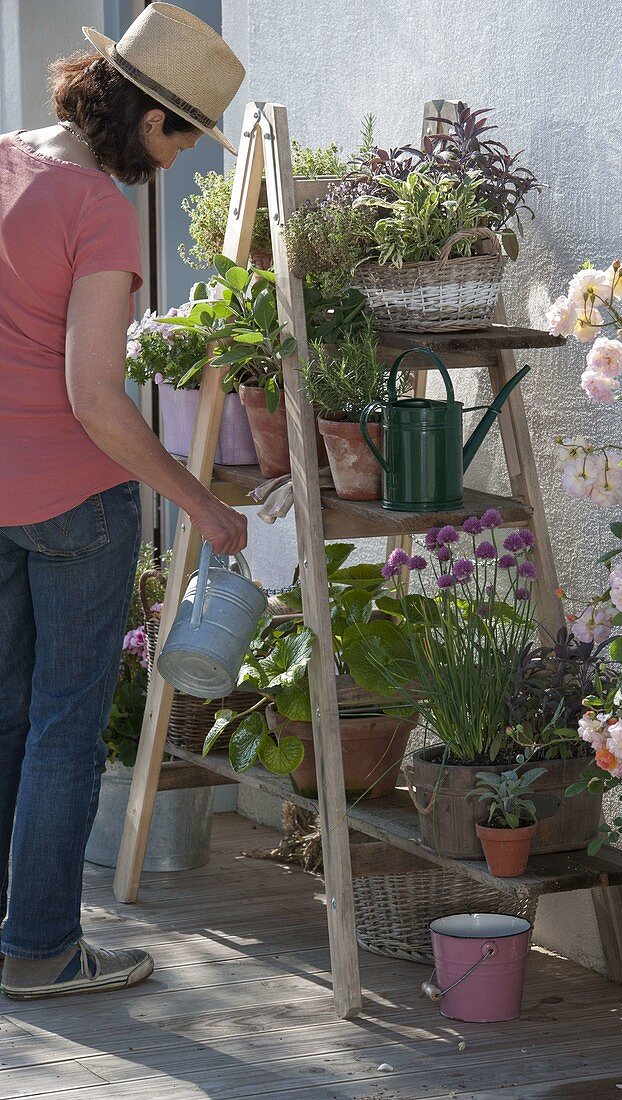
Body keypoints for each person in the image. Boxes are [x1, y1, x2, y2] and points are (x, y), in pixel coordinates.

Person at [0, 3, 248, 1000]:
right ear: (149, 116)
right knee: (66, 721)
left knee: (10, 713)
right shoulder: (98, 207)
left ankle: (14, 931)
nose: (182, 156)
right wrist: (202, 503)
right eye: (183, 132)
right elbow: (96, 395)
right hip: (80, 506)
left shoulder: (7, 158)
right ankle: (44, 948)